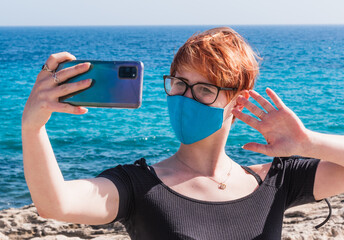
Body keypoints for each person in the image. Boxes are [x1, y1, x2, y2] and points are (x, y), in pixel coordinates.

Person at [22, 27, 344, 239]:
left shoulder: (275, 181)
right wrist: (33, 126)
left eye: (204, 89)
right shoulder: (140, 186)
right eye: (178, 84)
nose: (185, 99)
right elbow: (55, 203)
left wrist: (307, 143)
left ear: (239, 100)